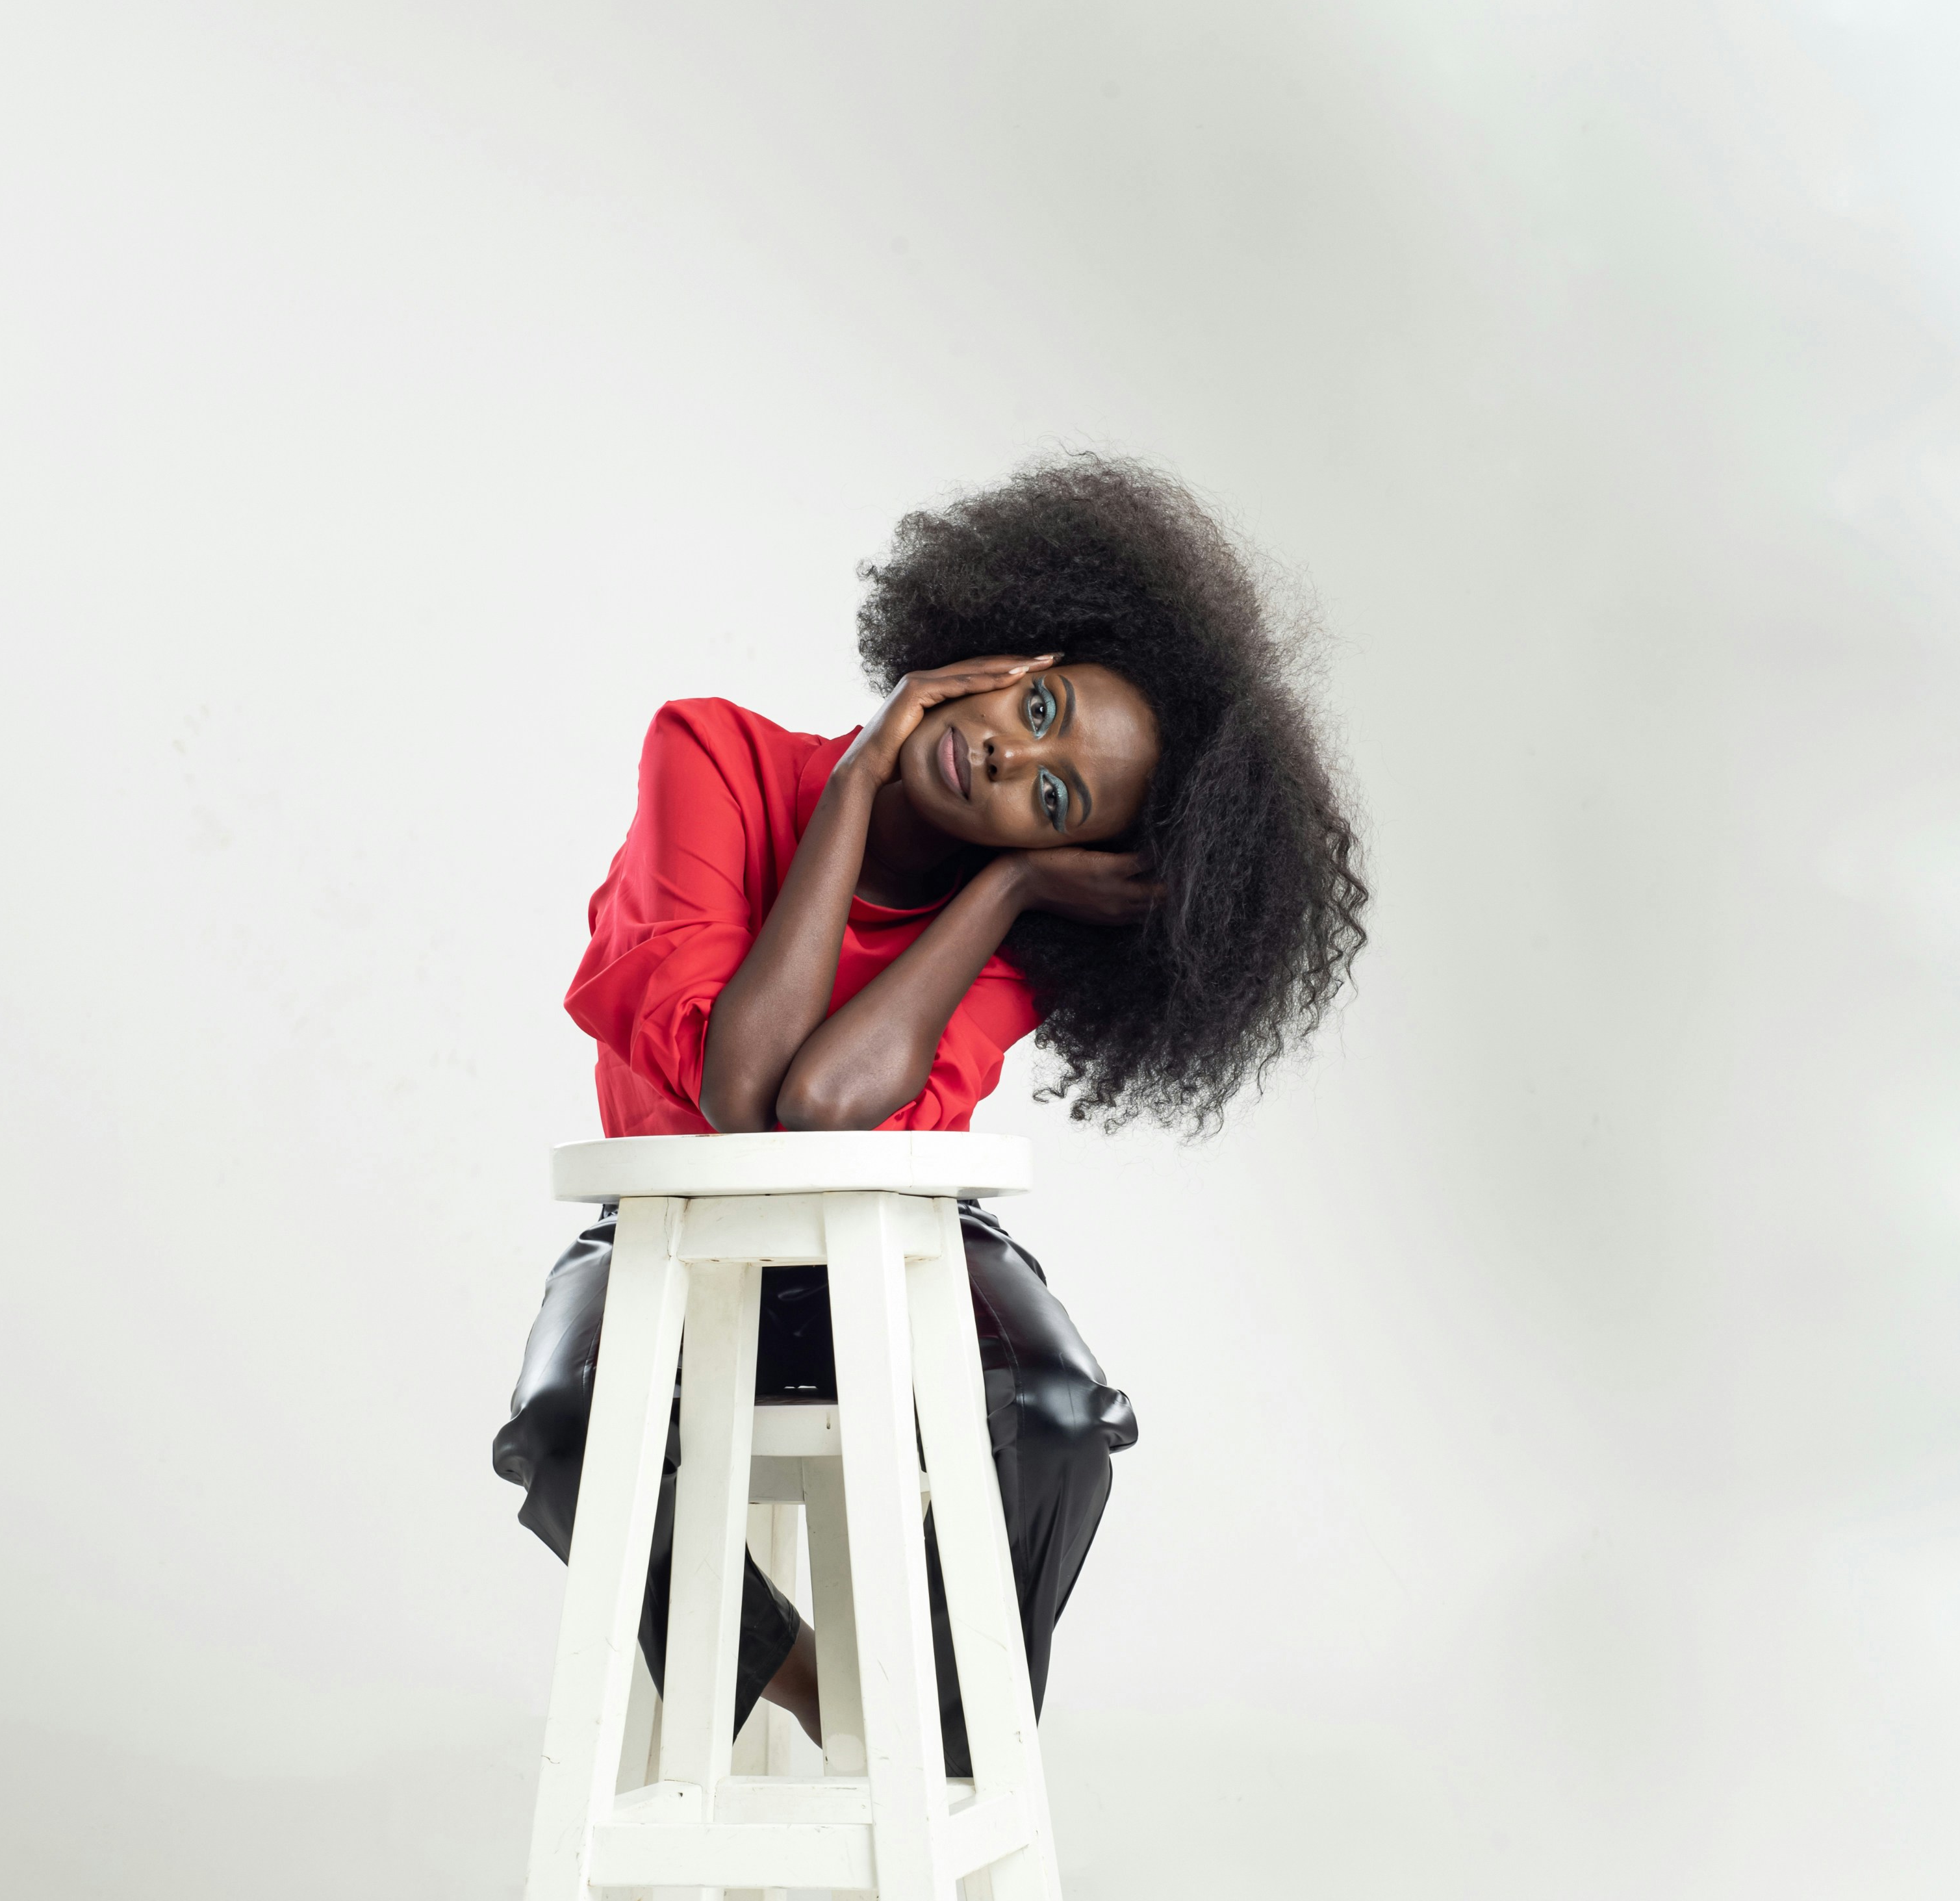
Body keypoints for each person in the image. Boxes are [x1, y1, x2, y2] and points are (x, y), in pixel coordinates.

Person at [493, 454, 1367, 1774]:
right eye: (1042, 704)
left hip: (894, 1247)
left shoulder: (993, 943)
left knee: (1066, 1418)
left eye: (1053, 797)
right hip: (671, 1235)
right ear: (1007, 648)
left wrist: (1002, 896)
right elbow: (738, 1100)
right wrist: (852, 786)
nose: (1011, 752)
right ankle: (842, 1702)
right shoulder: (712, 755)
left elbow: (823, 1105)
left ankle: (956, 1747)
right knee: (562, 1427)